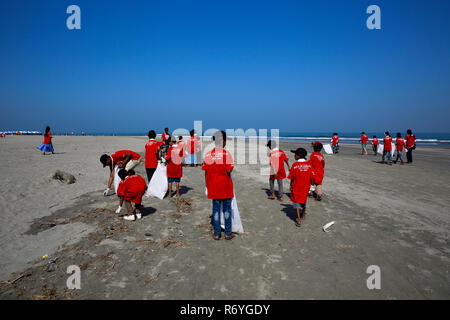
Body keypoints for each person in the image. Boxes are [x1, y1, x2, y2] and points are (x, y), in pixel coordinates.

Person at [202, 130, 234, 240]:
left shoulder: (208, 155)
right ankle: (228, 233)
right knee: (227, 210)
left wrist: (206, 186)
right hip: (225, 187)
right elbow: (229, 170)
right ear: (222, 141)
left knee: (215, 210)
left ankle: (217, 233)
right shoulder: (227, 154)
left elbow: (205, 172)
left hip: (213, 187)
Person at [288, 148, 315, 227]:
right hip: (305, 187)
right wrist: (312, 188)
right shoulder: (309, 165)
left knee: (296, 203)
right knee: (303, 201)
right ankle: (303, 214)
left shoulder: (295, 165)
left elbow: (292, 178)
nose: (294, 156)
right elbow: (312, 177)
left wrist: (290, 185)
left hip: (296, 187)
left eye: (295, 154)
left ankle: (298, 220)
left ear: (299, 155)